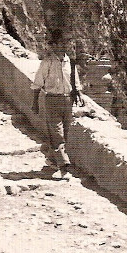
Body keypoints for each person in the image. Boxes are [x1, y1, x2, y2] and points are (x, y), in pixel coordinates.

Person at [31, 33, 85, 180]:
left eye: (66, 43)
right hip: (52, 100)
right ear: (53, 46)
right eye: (60, 43)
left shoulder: (70, 62)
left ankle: (52, 159)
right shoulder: (47, 62)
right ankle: (64, 167)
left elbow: (74, 81)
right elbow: (37, 83)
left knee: (64, 134)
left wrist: (79, 95)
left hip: (68, 101)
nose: (64, 46)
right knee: (57, 134)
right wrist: (35, 102)